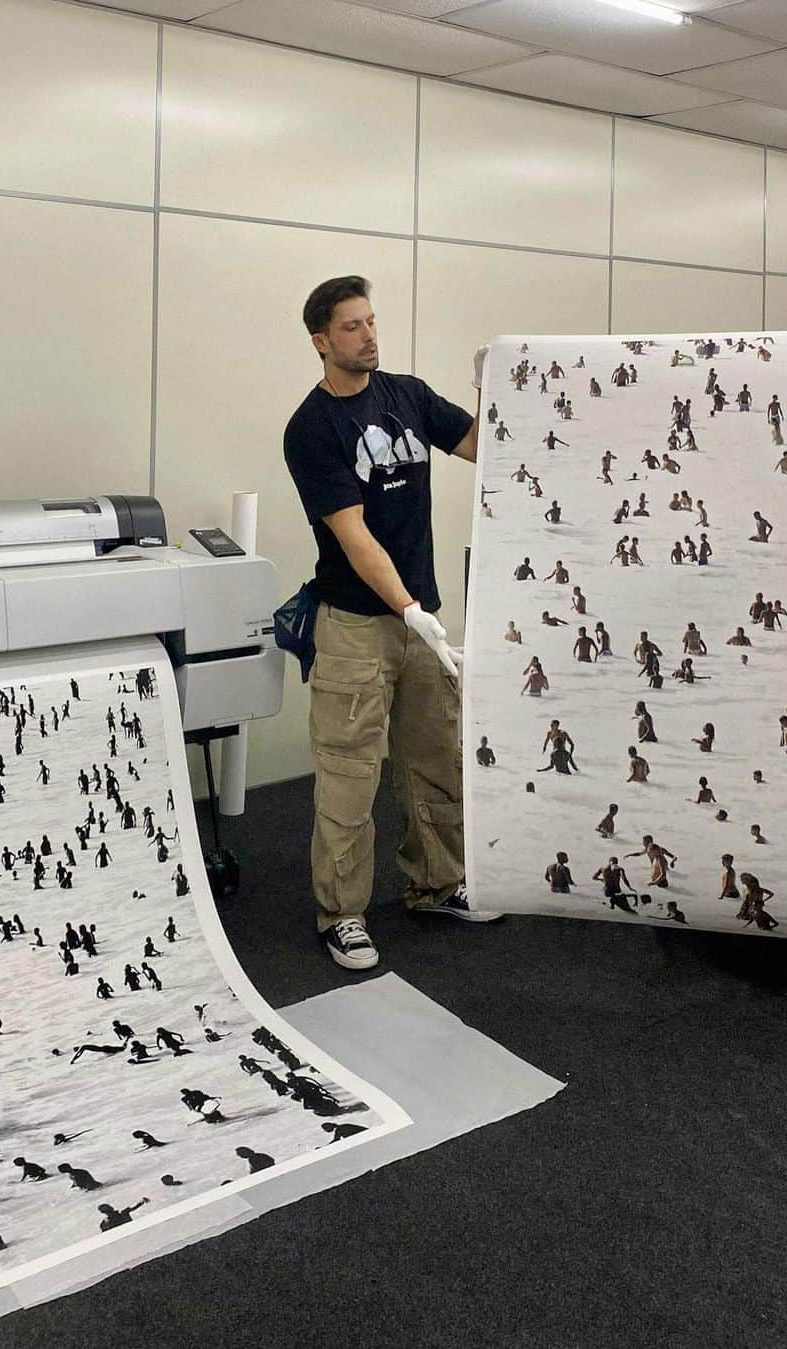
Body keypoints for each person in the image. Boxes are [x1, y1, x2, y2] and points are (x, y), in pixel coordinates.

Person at [283, 276, 496, 970]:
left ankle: (436, 884)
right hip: (356, 625)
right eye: (351, 326)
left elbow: (481, 444)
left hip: (420, 620)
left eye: (371, 321)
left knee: (434, 759)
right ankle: (340, 913)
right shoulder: (312, 429)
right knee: (349, 776)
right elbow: (354, 535)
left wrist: (505, 391)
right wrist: (405, 606)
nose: (369, 335)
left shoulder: (405, 394)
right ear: (320, 341)